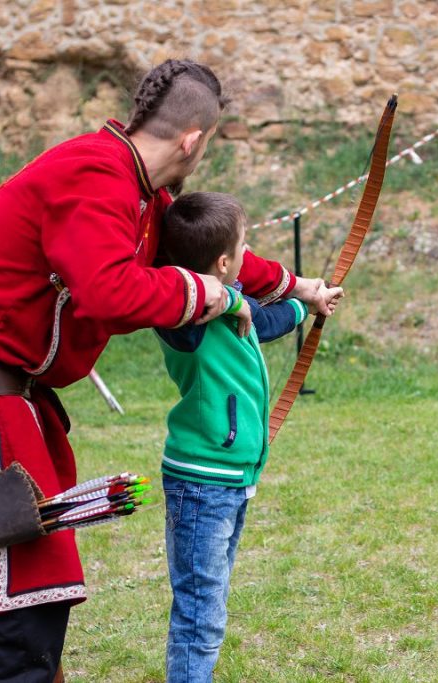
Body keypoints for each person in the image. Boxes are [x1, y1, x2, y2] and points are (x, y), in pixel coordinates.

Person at [0, 60, 335, 682]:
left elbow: (213, 259)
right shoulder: (93, 174)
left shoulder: (142, 195)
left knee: (36, 597)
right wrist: (208, 295)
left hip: (2, 395)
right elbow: (110, 291)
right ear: (193, 139)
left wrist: (301, 288)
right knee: (28, 600)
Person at [155, 192, 341, 682]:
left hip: (228, 480)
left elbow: (264, 319)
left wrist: (309, 304)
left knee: (209, 601)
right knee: (201, 613)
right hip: (202, 483)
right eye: (244, 247)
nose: (248, 254)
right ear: (223, 262)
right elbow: (183, 294)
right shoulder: (184, 317)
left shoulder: (229, 306)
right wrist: (236, 300)